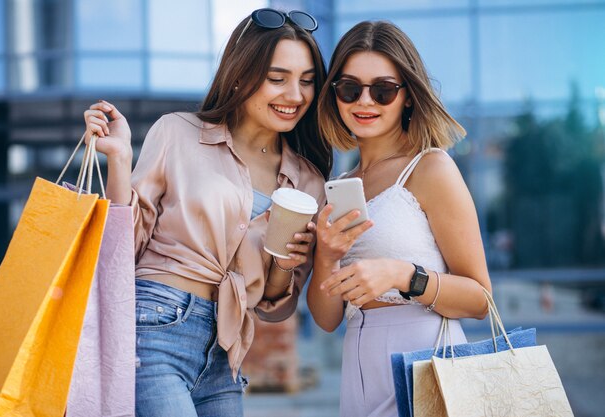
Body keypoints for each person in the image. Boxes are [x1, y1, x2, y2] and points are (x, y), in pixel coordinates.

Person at [83, 9, 331, 417]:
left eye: (306, 81)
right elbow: (120, 250)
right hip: (155, 324)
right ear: (240, 74)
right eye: (277, 78)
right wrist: (120, 160)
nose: (295, 95)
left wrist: (286, 263)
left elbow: (275, 304)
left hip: (225, 352)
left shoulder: (308, 181)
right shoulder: (177, 132)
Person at [307, 21, 492, 417]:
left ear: (407, 96)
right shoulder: (339, 186)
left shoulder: (431, 168)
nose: (365, 101)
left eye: (383, 89)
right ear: (335, 95)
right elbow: (326, 320)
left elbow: (481, 299)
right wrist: (325, 256)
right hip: (356, 366)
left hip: (427, 359)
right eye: (350, 88)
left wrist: (402, 275)